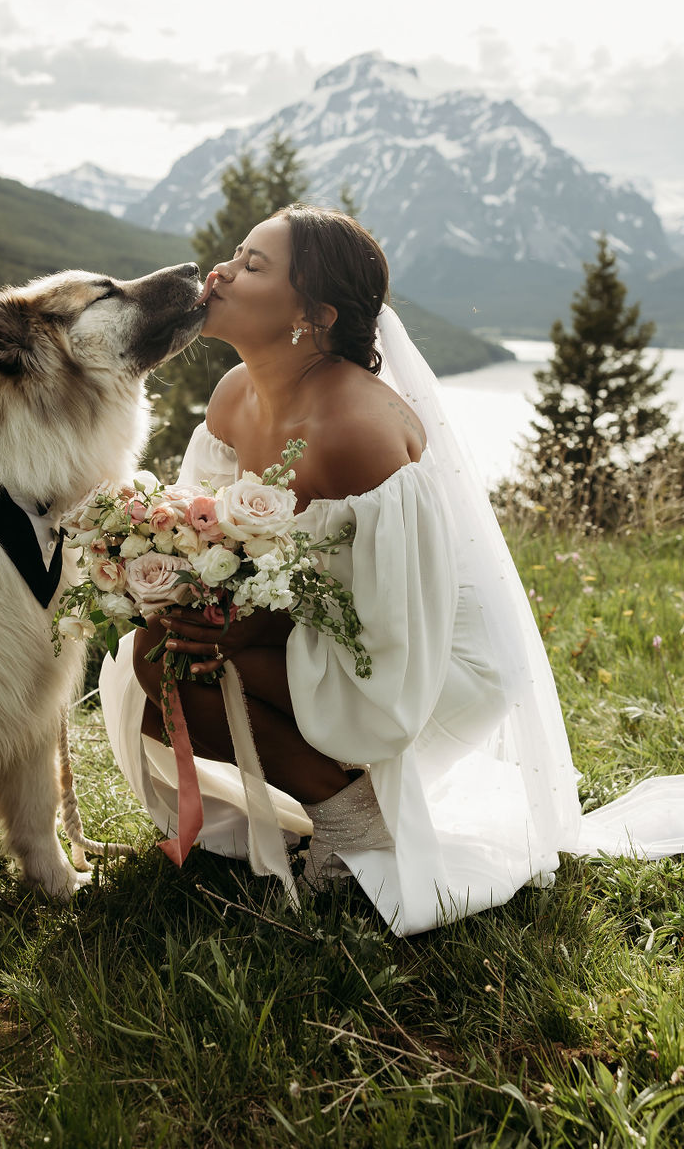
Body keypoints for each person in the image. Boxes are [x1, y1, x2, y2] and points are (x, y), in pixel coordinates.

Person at [99, 204, 684, 935]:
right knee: (153, 664)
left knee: (191, 669)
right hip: (304, 621)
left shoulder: (356, 430)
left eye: (253, 266)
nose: (219, 271)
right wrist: (177, 591)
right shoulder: (232, 397)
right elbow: (205, 533)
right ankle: (322, 799)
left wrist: (236, 632)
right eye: (235, 254)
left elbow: (385, 621)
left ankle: (353, 827)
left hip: (412, 649)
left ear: (312, 315)